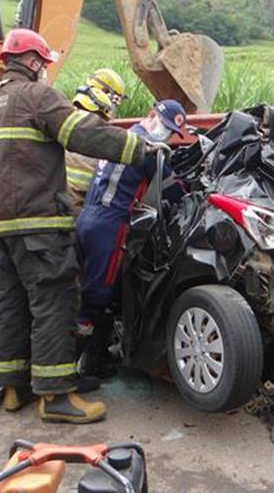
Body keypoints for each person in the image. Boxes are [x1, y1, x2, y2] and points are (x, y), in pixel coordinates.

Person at [0, 28, 157, 424]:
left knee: (10, 305)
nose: (45, 70)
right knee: (54, 302)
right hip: (37, 222)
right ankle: (55, 397)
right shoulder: (36, 96)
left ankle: (12, 387)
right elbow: (80, 132)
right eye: (45, 63)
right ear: (35, 62)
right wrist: (139, 148)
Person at [75, 100, 187, 377]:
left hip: (87, 218)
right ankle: (78, 367)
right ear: (152, 116)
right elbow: (173, 192)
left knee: (90, 290)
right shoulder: (149, 150)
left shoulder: (124, 138)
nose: (167, 136)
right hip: (109, 225)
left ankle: (94, 356)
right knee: (97, 296)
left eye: (172, 133)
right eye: (167, 128)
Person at [66, 68, 127, 205]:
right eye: (115, 99)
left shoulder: (66, 121)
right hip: (80, 207)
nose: (115, 105)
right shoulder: (97, 135)